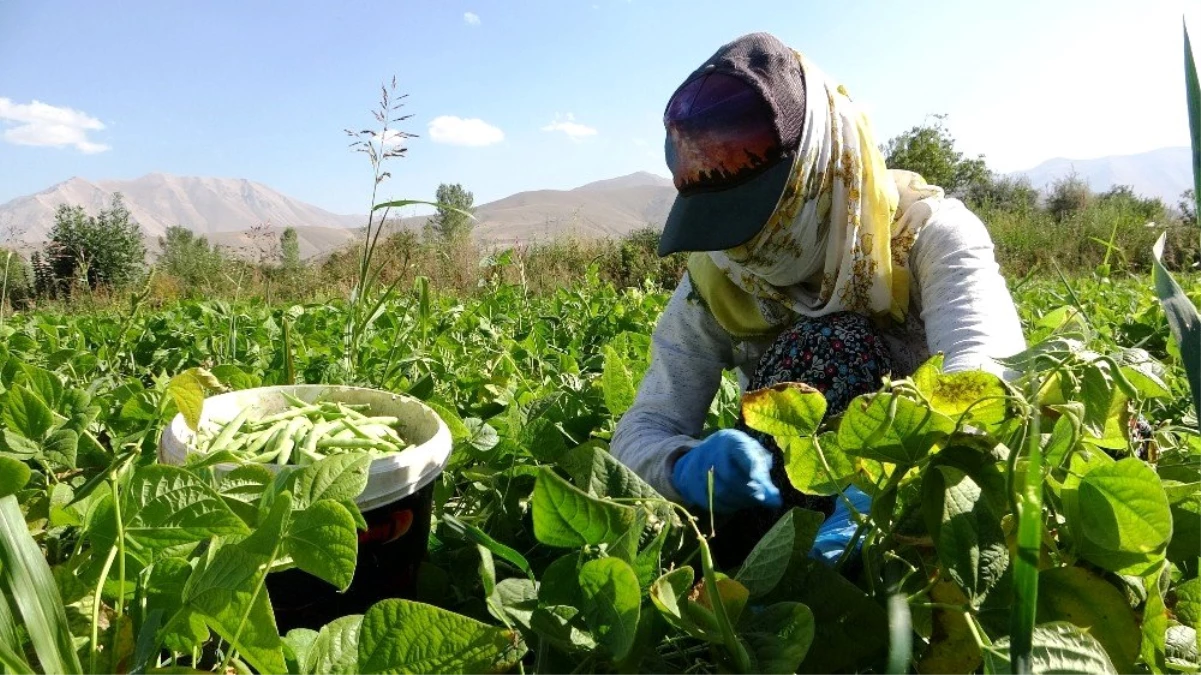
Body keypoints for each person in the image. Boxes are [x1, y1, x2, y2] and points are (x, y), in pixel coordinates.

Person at [609, 32, 1027, 568]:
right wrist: (683, 464)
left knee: (835, 342)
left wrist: (894, 484)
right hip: (783, 522)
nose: (743, 249)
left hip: (928, 512)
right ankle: (785, 573)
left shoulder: (930, 235)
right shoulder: (715, 277)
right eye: (724, 226)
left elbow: (990, 381)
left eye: (760, 217)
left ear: (818, 170)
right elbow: (643, 429)